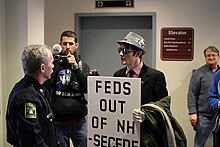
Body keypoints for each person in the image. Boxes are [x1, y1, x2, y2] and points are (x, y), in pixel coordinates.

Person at [113, 32, 170, 146]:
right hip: (124, 132)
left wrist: (147, 115)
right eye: (120, 49)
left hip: (148, 133)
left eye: (125, 51)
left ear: (138, 53)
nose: (120, 53)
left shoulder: (155, 76)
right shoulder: (117, 75)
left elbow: (163, 106)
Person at [6, 44, 57, 147]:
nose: (53, 66)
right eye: (51, 63)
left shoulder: (34, 89)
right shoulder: (28, 98)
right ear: (42, 68)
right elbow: (33, 141)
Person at [48, 30, 89, 147]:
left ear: (76, 46)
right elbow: (47, 85)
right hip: (58, 121)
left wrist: (76, 67)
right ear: (60, 44)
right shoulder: (54, 64)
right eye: (64, 43)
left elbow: (86, 88)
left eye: (71, 44)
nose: (67, 47)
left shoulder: (83, 65)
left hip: (79, 122)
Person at [187, 46, 219, 147]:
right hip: (204, 116)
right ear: (205, 57)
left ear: (218, 57)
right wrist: (192, 112)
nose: (211, 57)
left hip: (218, 115)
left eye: (213, 55)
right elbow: (191, 94)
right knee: (199, 143)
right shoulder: (198, 73)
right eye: (208, 55)